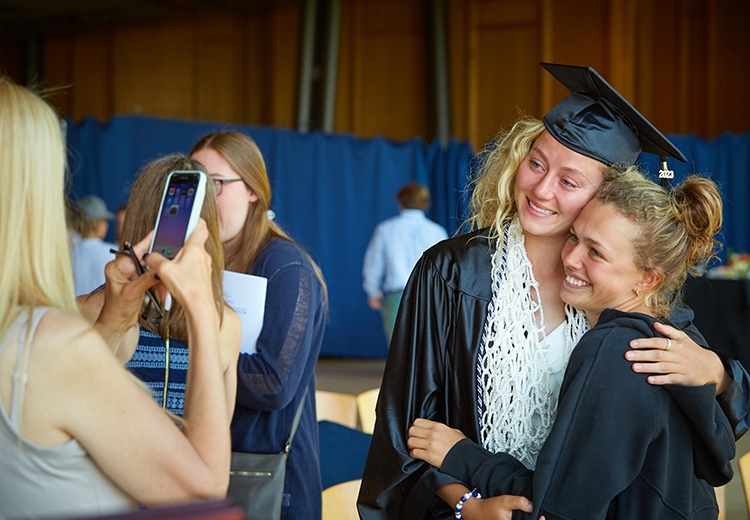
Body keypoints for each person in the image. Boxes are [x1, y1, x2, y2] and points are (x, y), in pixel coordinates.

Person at [357, 63, 749, 520]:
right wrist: (466, 504)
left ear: (606, 195)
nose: (541, 189)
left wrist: (717, 372)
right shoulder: (452, 273)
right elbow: (408, 425)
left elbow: (710, 442)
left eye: (568, 181)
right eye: (536, 163)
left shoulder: (618, 284)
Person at [407, 172, 734, 519]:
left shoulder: (617, 351)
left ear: (646, 279)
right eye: (574, 237)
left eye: (595, 252)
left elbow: (555, 509)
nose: (571, 258)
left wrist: (460, 455)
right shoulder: (673, 342)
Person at [0, 77, 231, 517]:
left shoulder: (44, 339)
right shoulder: (51, 344)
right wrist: (202, 308)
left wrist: (109, 322)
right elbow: (203, 491)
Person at [191, 131, 328, 520]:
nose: (204, 199)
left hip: (268, 479)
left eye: (215, 184)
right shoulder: (198, 261)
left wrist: (188, 356)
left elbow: (273, 384)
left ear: (253, 190)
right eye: (196, 183)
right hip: (209, 463)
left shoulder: (286, 266)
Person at [77, 154, 241, 418]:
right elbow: (218, 437)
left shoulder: (81, 311)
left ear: (134, 217)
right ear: (205, 228)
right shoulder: (225, 324)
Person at [363, 182, 448, 343]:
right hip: (428, 297)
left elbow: (374, 263)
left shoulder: (386, 229)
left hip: (397, 297)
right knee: (426, 349)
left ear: (400, 202)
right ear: (426, 204)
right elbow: (445, 270)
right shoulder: (437, 231)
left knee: (399, 351)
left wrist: (372, 291)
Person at [70, 194, 118, 296]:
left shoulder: (68, 254)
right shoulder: (114, 253)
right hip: (102, 311)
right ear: (100, 224)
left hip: (72, 311)